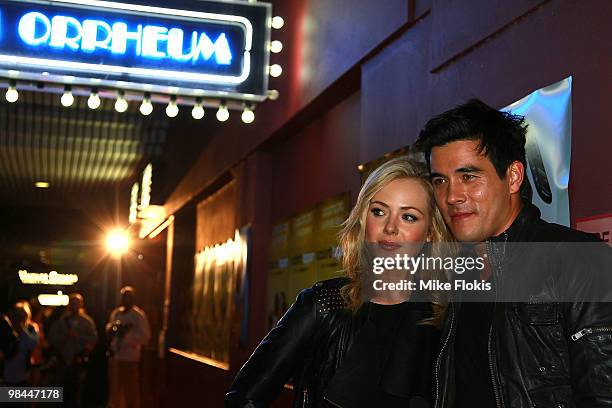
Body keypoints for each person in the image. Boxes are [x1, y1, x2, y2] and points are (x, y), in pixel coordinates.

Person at [416, 99, 612, 407]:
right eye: (440, 181)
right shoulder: (455, 273)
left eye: (469, 177)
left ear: (514, 177)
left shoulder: (578, 259)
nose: (452, 196)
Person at [226, 156, 454, 407]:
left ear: (430, 233)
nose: (390, 227)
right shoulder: (323, 304)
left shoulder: (448, 316)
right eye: (378, 212)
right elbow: (244, 398)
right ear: (363, 222)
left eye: (408, 217)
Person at [48, 293, 98, 407]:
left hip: (78, 361)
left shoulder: (87, 321)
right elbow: (52, 337)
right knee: (61, 390)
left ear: (81, 304)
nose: (74, 305)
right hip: (63, 361)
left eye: (77, 303)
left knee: (76, 390)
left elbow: (94, 338)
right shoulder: (62, 321)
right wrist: (65, 336)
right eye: (72, 303)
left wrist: (78, 336)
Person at [106, 286, 151, 408]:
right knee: (115, 388)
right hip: (116, 357)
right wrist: (114, 330)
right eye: (123, 297)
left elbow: (145, 337)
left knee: (130, 389)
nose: (125, 300)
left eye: (128, 297)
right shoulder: (116, 313)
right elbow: (110, 330)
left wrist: (127, 337)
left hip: (130, 358)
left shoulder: (138, 315)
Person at [3, 301, 39, 386]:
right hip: (6, 371)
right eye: (18, 315)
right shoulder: (8, 327)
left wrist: (22, 330)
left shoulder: (31, 328)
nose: (20, 318)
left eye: (23, 315)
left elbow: (33, 344)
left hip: (23, 372)